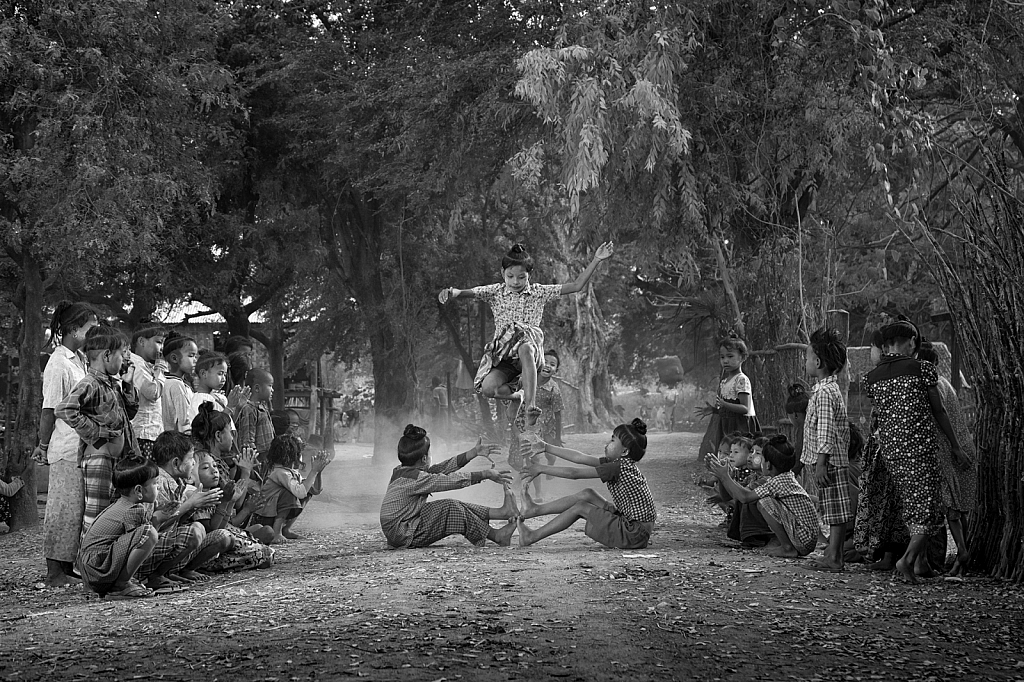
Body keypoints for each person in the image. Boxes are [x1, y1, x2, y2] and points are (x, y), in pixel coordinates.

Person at [438, 241, 614, 426]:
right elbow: (467, 292)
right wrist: (451, 292)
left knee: (524, 345)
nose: (515, 282)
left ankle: (531, 406)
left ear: (530, 275)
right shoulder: (495, 291)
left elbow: (576, 286)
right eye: (510, 276)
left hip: (530, 353)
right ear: (502, 274)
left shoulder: (539, 292)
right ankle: (517, 397)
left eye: (521, 277)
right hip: (504, 356)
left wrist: (596, 259)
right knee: (488, 389)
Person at [863, 316, 969, 583]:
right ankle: (907, 561)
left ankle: (919, 564)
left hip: (890, 452)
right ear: (912, 342)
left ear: (886, 345)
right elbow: (939, 410)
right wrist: (955, 446)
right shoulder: (922, 369)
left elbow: (880, 415)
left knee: (913, 506)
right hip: (919, 449)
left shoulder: (872, 378)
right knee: (928, 509)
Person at [33, 301, 99, 586]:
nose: (94, 334)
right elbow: (50, 409)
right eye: (90, 328)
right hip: (65, 446)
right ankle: (54, 572)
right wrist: (43, 445)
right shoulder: (58, 363)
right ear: (74, 330)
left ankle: (66, 566)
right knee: (62, 508)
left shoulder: (79, 360)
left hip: (79, 445)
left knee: (75, 509)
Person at [517, 418, 656, 549]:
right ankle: (535, 510)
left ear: (625, 451)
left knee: (580, 507)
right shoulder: (620, 464)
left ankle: (531, 536)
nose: (607, 443)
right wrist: (545, 447)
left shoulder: (617, 467)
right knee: (587, 494)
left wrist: (541, 468)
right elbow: (580, 458)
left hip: (633, 533)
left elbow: (574, 474)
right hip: (633, 527)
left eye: (613, 441)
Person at [55, 324, 141, 532]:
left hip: (115, 458)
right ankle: (87, 561)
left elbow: (127, 415)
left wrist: (128, 384)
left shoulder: (112, 385)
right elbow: (65, 409)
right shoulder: (90, 383)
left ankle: (101, 558)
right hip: (99, 458)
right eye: (122, 353)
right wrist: (99, 434)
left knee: (111, 513)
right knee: (96, 516)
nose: (125, 359)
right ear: (107, 355)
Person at [380, 425, 517, 548]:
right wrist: (484, 474)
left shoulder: (401, 471)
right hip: (403, 533)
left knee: (452, 505)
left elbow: (442, 468)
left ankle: (500, 513)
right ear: (423, 459)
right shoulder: (417, 479)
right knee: (450, 507)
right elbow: (452, 480)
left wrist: (473, 453)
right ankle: (497, 536)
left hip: (400, 527)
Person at [139, 431, 231, 592]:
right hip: (147, 550)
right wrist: (189, 505)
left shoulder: (177, 483)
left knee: (221, 536)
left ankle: (171, 571)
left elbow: (176, 523)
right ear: (176, 463)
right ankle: (155, 576)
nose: (193, 465)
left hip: (166, 545)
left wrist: (193, 506)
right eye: (190, 460)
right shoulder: (158, 482)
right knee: (195, 531)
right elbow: (152, 527)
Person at [917, 339, 977, 576]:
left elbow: (940, 415)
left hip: (950, 449)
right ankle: (961, 560)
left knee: (950, 504)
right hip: (962, 446)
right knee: (959, 507)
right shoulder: (945, 383)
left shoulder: (931, 386)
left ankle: (962, 551)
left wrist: (954, 447)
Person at [794, 327, 852, 573]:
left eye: (807, 357)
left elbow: (826, 430)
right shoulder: (824, 389)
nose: (806, 362)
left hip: (830, 462)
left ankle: (835, 557)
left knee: (835, 510)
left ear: (817, 362)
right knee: (831, 507)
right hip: (830, 460)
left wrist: (821, 463)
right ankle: (833, 552)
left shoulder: (825, 392)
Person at [705, 435, 821, 558]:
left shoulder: (776, 482)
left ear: (768, 465)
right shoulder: (785, 477)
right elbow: (733, 495)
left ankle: (787, 548)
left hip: (803, 538)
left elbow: (745, 497)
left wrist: (724, 476)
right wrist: (723, 475)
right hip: (804, 537)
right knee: (764, 501)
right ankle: (784, 545)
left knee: (765, 502)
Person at [76, 456, 160, 599]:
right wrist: (161, 519)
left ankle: (121, 583)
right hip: (98, 569)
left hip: (91, 570)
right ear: (139, 490)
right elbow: (143, 541)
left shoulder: (121, 504)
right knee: (148, 533)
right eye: (155, 483)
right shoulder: (134, 510)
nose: (157, 488)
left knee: (147, 533)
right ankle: (120, 587)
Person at [186, 451, 275, 572]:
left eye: (215, 466)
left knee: (265, 538)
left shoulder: (212, 493)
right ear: (191, 476)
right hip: (208, 550)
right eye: (206, 467)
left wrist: (231, 501)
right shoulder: (197, 496)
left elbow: (224, 524)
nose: (214, 471)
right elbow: (213, 531)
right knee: (263, 552)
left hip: (225, 538)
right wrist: (226, 503)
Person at [250, 434, 329, 544]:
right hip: (264, 518)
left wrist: (318, 472)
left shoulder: (289, 472)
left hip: (272, 516)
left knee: (306, 491)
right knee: (289, 494)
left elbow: (315, 490)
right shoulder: (281, 473)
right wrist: (313, 471)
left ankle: (285, 529)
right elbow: (300, 493)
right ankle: (277, 533)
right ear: (291, 455)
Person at [698, 332, 759, 460]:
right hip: (726, 425)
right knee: (726, 456)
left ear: (742, 357)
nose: (725, 361)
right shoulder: (725, 381)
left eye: (730, 356)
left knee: (739, 457)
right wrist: (715, 410)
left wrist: (725, 404)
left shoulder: (741, 380)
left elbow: (744, 408)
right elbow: (726, 409)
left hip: (740, 426)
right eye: (722, 357)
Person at [128, 324, 168, 457]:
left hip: (151, 434)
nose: (161, 348)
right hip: (143, 435)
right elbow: (153, 392)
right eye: (158, 342)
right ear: (141, 342)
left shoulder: (146, 366)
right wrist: (160, 371)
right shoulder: (136, 365)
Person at [188, 349, 250, 426]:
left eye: (225, 374)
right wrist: (229, 407)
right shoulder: (200, 400)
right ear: (203, 374)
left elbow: (229, 424)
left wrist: (238, 407)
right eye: (220, 374)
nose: (224, 379)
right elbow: (210, 429)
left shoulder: (220, 398)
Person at [161, 331, 198, 433]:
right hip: (178, 440)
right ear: (174, 358)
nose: (195, 360)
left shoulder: (164, 381)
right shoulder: (176, 384)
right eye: (191, 356)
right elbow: (184, 421)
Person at [237, 368, 275, 464]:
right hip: (259, 460)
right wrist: (253, 462)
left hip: (268, 458)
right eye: (270, 386)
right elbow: (248, 439)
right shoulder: (249, 409)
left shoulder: (262, 407)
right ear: (257, 388)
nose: (272, 390)